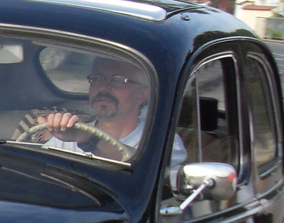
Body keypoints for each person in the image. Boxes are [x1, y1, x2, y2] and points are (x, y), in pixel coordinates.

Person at [31, 57, 185, 165]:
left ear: (142, 94)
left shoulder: (161, 141)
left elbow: (149, 175)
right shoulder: (68, 135)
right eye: (97, 78)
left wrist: (88, 140)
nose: (103, 88)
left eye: (117, 80)